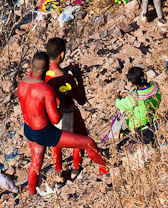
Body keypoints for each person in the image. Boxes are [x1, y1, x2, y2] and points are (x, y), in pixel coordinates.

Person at [17, 52, 107, 195]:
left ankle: (32, 193)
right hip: (45, 132)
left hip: (29, 129)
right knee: (88, 142)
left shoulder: (22, 84)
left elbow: (37, 69)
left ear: (30, 66)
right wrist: (63, 103)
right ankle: (106, 171)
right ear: (47, 69)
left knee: (36, 162)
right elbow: (55, 119)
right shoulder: (45, 90)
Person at [45, 38, 90, 178]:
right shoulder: (67, 78)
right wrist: (79, 79)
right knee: (79, 137)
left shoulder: (44, 76)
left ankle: (59, 171)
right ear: (62, 54)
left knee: (55, 142)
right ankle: (76, 167)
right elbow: (81, 100)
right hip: (69, 112)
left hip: (51, 114)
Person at [115, 67, 162, 144]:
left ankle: (124, 131)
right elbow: (144, 92)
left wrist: (117, 98)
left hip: (140, 125)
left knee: (124, 110)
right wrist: (129, 94)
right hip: (153, 118)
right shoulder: (155, 86)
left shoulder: (134, 97)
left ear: (133, 83)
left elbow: (120, 104)